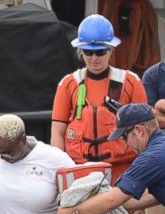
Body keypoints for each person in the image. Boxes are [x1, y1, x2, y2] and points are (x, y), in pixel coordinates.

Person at [51, 14, 148, 175]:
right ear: (81, 51)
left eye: (100, 52)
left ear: (111, 50)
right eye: (88, 52)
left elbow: (146, 131)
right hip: (79, 169)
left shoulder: (131, 82)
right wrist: (61, 171)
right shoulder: (68, 84)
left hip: (123, 170)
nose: (94, 58)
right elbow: (57, 133)